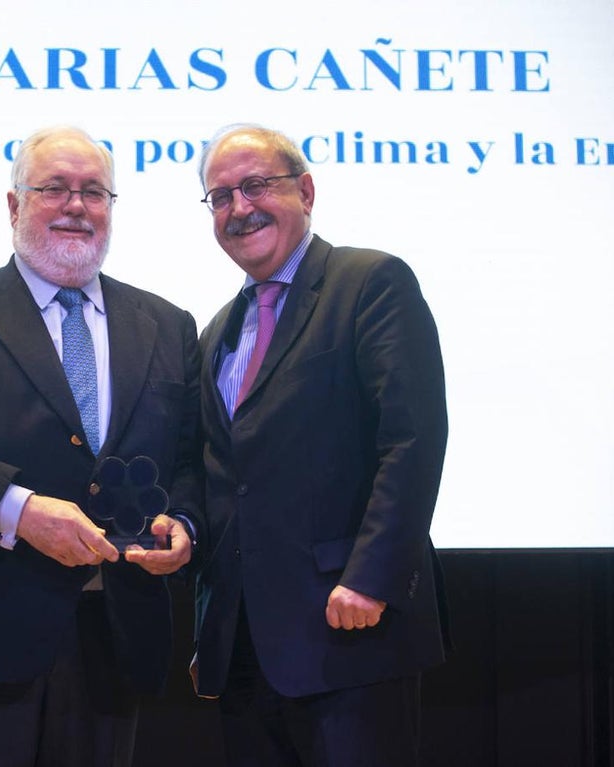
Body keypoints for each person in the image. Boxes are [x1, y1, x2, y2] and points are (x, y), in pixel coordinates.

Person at [0, 125, 202, 767]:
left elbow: (186, 460)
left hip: (116, 641)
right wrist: (19, 512)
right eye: (55, 189)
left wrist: (183, 521)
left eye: (94, 192)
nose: (77, 206)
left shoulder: (166, 323)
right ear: (15, 206)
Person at [189, 123, 450, 766]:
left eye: (256, 186)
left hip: (351, 630)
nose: (240, 208)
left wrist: (373, 579)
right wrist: (211, 626)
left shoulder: (370, 283)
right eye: (220, 197)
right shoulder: (219, 330)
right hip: (246, 651)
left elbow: (413, 438)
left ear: (305, 191)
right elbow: (226, 479)